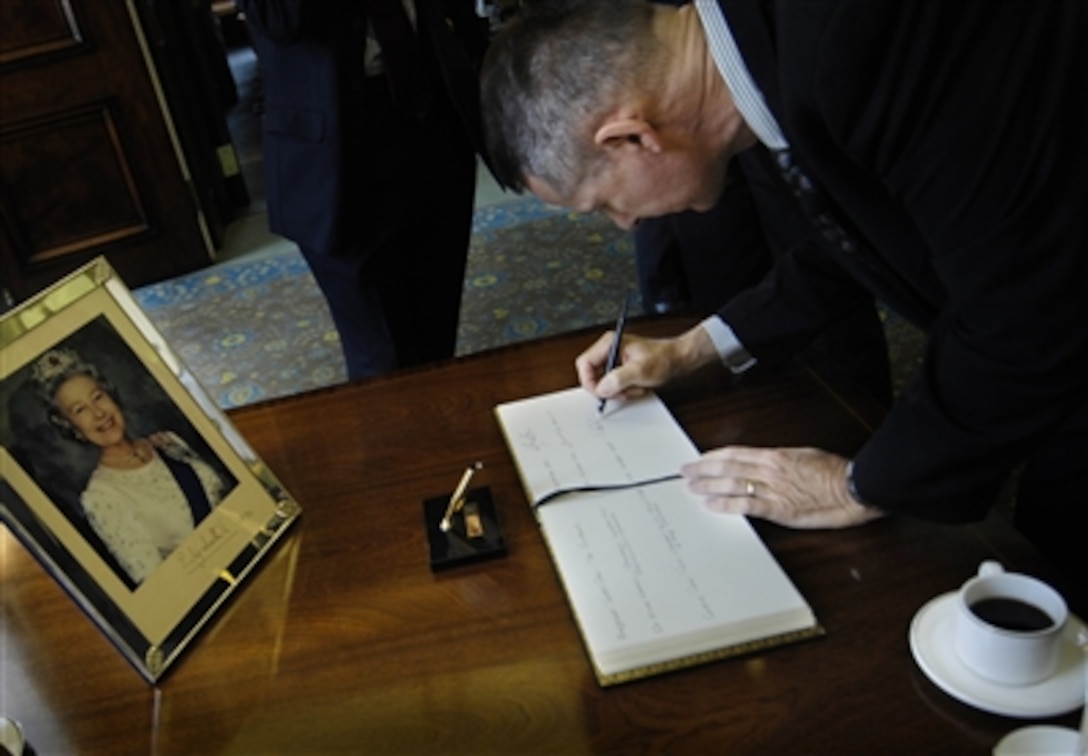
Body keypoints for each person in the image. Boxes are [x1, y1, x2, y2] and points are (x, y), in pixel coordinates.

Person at [480, 0, 1087, 581]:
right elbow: (859, 236)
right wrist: (697, 347)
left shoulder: (853, 46)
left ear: (632, 138)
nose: (626, 224)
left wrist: (855, 486)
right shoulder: (763, 50)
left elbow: (1022, 312)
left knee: (1054, 565)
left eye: (603, 204)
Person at [240, 0, 492, 379]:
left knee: (436, 321)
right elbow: (280, 20)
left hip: (435, 113)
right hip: (337, 154)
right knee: (382, 351)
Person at [31, 349, 227, 585]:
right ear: (71, 427)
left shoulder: (168, 442)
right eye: (80, 410)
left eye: (97, 397)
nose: (98, 413)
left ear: (111, 396)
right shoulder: (100, 496)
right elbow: (157, 583)